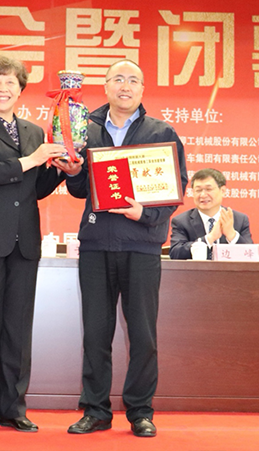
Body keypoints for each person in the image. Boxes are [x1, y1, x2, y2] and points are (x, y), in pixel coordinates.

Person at [0, 55, 81, 433]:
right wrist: (32, 160)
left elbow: (35, 188)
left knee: (17, 329)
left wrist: (64, 170)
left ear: (20, 89)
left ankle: (14, 407)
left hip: (23, 242)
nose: (3, 88)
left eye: (10, 82)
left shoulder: (34, 132)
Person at [65, 59, 187, 438]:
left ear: (142, 89)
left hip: (142, 246)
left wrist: (144, 214)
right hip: (96, 244)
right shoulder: (86, 128)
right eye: (118, 78)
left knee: (143, 335)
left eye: (133, 80)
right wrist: (73, 172)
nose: (125, 86)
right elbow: (80, 189)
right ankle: (96, 410)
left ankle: (140, 412)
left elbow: (176, 187)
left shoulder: (160, 132)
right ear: (105, 86)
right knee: (95, 333)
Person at [169, 168, 253, 260]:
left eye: (208, 189)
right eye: (198, 190)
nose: (203, 195)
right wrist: (209, 238)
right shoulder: (181, 221)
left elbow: (250, 255)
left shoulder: (239, 219)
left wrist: (232, 235)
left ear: (222, 191)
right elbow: (175, 253)